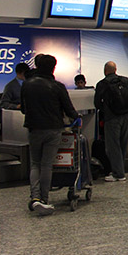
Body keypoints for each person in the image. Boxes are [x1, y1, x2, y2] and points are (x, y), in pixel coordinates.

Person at [20, 54, 80, 216]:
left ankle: (35, 197)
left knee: (35, 164)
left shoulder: (27, 85)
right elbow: (69, 109)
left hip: (34, 128)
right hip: (53, 129)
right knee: (47, 164)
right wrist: (76, 117)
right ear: (53, 67)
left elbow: (23, 109)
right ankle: (45, 199)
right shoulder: (57, 86)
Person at [94, 61, 128, 181]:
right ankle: (120, 170)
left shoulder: (102, 84)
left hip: (111, 118)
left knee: (112, 145)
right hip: (126, 116)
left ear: (105, 71)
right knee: (122, 143)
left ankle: (118, 173)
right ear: (115, 70)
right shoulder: (125, 80)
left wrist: (106, 110)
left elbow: (96, 103)